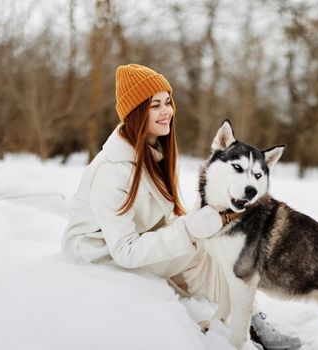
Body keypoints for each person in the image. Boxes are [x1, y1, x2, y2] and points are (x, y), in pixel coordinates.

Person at [61, 63, 301, 350]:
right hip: (100, 254)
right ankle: (247, 321)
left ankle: (250, 318)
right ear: (136, 112)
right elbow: (123, 250)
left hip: (137, 242)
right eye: (155, 105)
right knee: (200, 247)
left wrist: (200, 226)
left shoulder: (157, 153)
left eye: (168, 102)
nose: (166, 112)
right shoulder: (112, 170)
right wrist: (189, 231)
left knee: (213, 247)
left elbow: (169, 215)